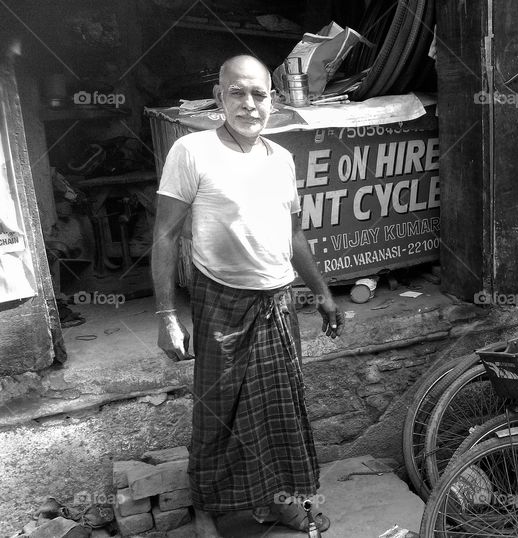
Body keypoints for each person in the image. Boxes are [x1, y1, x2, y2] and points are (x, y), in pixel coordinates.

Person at [152, 55, 344, 536]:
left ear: (272, 101)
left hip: (277, 303)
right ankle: (209, 511)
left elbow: (294, 235)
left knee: (282, 414)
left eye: (259, 94)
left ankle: (280, 502)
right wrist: (166, 316)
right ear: (219, 98)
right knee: (217, 417)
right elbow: (164, 237)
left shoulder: (280, 159)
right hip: (220, 302)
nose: (249, 104)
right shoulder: (192, 151)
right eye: (237, 92)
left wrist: (322, 293)